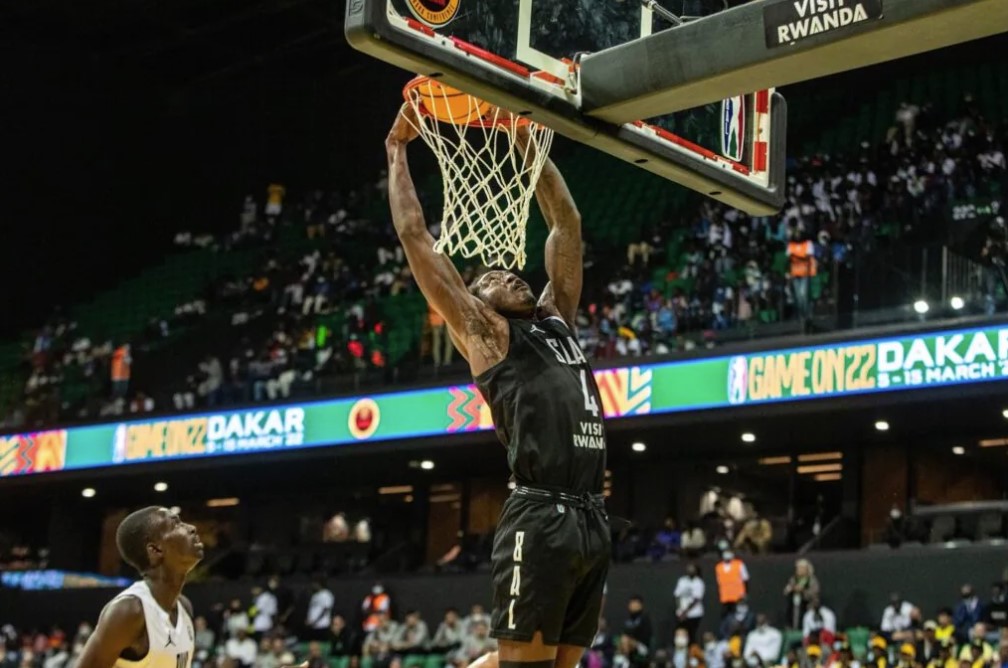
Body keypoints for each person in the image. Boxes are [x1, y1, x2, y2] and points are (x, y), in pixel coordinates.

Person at [386, 105, 610, 668]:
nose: (505, 274)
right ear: (476, 303)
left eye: (507, 271)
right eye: (486, 280)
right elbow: (416, 236)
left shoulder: (556, 317)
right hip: (538, 514)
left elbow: (567, 223)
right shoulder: (487, 335)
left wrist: (524, 143)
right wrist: (396, 151)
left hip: (591, 515)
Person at [75, 507, 203, 668]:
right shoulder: (130, 610)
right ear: (155, 550)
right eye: (176, 524)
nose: (191, 528)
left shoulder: (185, 608)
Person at [784, 560, 820, 630]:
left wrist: (802, 591)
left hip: (807, 607)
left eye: (800, 568)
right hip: (794, 607)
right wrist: (791, 589)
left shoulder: (812, 580)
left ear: (806, 569)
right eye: (797, 568)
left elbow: (814, 594)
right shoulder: (793, 580)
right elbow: (786, 591)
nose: (798, 570)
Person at [674, 564, 705, 643]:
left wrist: (685, 612)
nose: (690, 570)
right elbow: (677, 595)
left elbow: (696, 599)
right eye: (689, 568)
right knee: (681, 635)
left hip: (694, 614)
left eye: (692, 569)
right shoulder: (682, 580)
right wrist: (680, 609)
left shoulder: (699, 582)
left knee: (692, 635)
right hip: (681, 613)